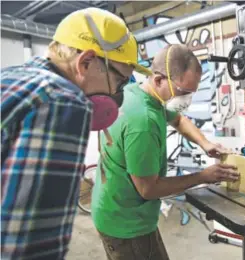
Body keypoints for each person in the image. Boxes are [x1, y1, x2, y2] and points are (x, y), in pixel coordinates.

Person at [1, 7, 151, 260]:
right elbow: (28, 242)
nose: (120, 93)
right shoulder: (61, 100)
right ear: (86, 62)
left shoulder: (10, 78)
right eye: (121, 81)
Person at [91, 44, 239, 260]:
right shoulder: (143, 121)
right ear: (159, 79)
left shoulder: (138, 92)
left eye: (191, 93)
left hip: (112, 204)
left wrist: (204, 143)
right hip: (125, 222)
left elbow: (178, 119)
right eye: (183, 92)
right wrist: (203, 176)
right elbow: (149, 189)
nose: (187, 99)